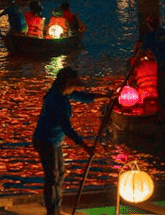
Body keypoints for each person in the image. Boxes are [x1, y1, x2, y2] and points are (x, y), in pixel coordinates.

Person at [32, 67, 108, 215]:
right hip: (47, 141)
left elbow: (83, 97)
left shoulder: (63, 93)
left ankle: (56, 209)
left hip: (55, 142)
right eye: (74, 85)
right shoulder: (57, 99)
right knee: (53, 178)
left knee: (60, 174)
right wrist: (85, 147)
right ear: (67, 83)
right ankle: (52, 211)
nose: (75, 88)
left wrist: (105, 97)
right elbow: (67, 128)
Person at [140, 14, 165, 114]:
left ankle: (163, 111)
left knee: (162, 88)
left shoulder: (149, 36)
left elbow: (142, 51)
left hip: (164, 64)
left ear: (149, 25)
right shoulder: (163, 31)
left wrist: (136, 61)